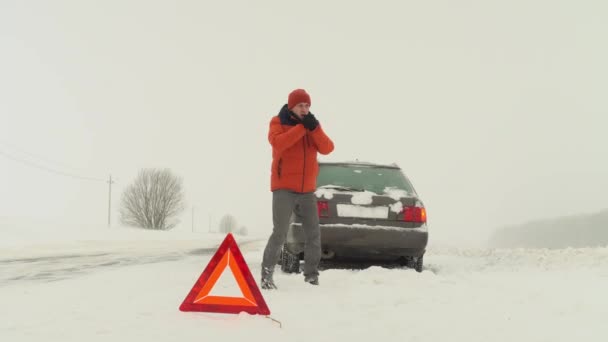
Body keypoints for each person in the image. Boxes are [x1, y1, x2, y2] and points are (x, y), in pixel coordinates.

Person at [261, 88, 335, 289]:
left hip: (307, 190)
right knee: (280, 233)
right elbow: (278, 143)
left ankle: (311, 276)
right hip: (284, 188)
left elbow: (328, 148)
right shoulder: (278, 122)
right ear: (292, 106)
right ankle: (267, 275)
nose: (305, 109)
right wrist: (302, 128)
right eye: (301, 105)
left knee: (313, 235)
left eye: (307, 105)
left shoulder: (311, 126)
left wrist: (315, 128)